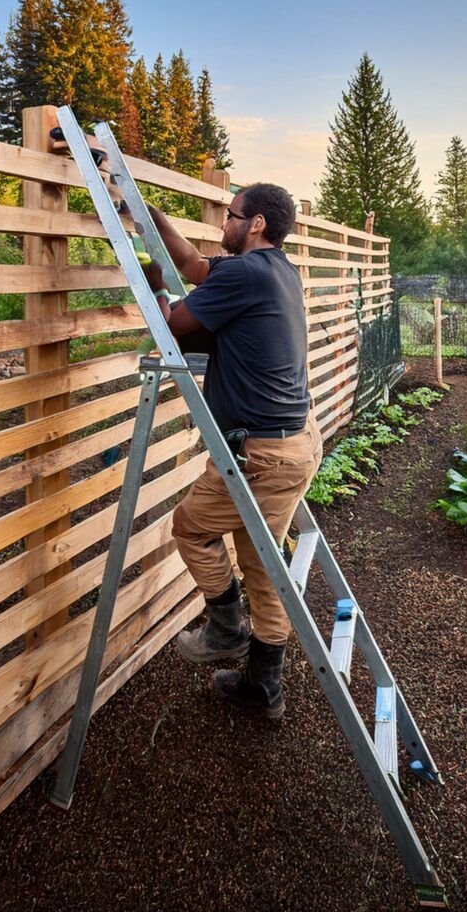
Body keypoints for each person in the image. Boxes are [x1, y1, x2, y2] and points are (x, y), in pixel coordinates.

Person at [141, 184, 322, 719]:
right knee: (261, 565)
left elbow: (173, 326)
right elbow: (196, 266)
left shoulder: (246, 274)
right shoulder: (277, 270)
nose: (224, 220)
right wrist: (148, 218)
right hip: (293, 442)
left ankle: (226, 629)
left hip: (260, 455)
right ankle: (264, 686)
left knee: (191, 526)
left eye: (231, 214)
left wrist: (152, 288)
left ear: (257, 224)